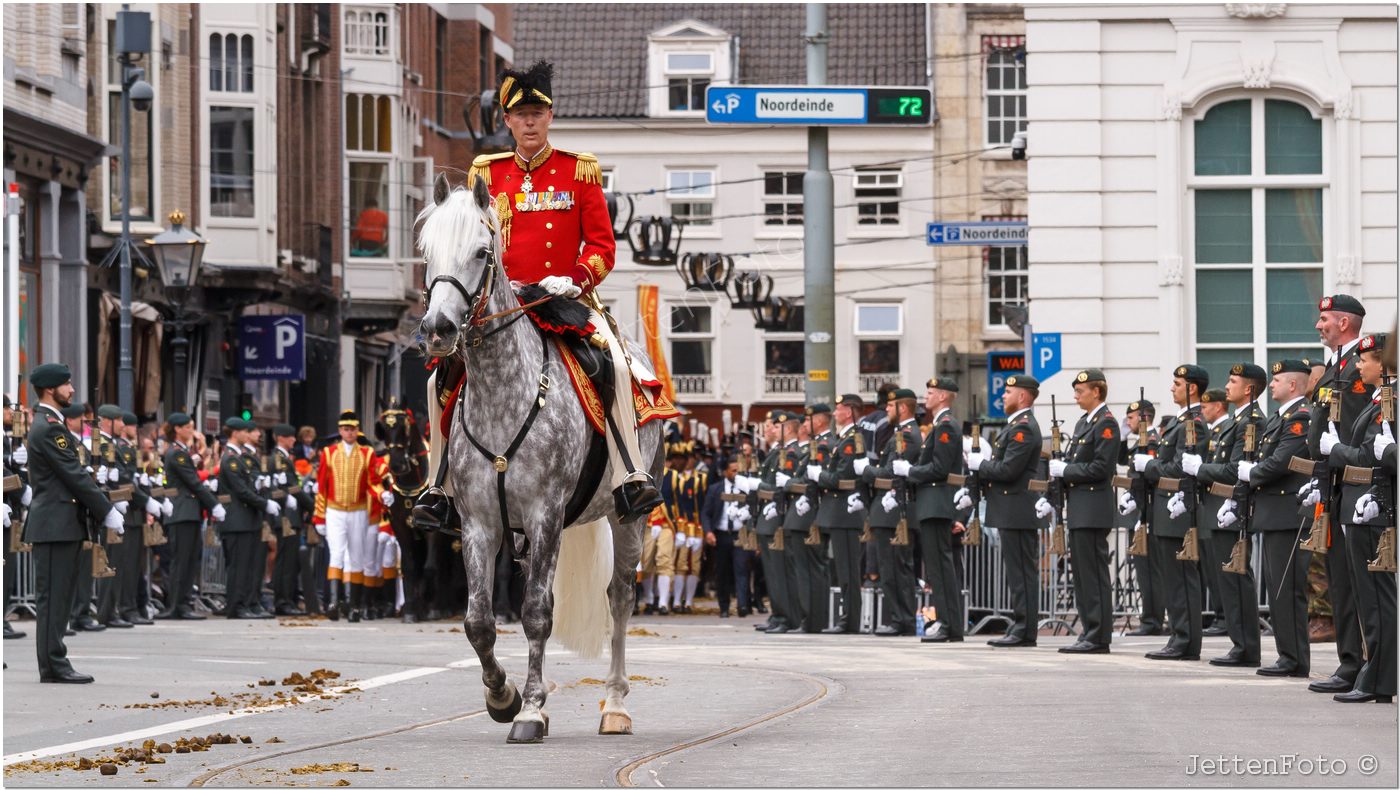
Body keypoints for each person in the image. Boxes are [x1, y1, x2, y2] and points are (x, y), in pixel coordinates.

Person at [414, 60, 661, 531]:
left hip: (563, 300)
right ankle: (439, 485)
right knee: (436, 381)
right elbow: (470, 243)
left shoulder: (579, 171)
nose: (529, 122)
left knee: (618, 367)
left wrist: (577, 277)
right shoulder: (487, 172)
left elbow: (604, 248)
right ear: (506, 120)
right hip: (502, 307)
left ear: (550, 117)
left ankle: (630, 473)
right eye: (519, 114)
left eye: (537, 113)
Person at [25, 363, 121, 683]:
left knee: (58, 596)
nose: (73, 390)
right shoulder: (50, 426)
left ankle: (53, 662)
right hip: (54, 523)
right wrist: (106, 509)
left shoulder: (51, 422)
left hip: (60, 522)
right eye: (67, 384)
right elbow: (73, 475)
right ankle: (54, 664)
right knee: (53, 597)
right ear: (51, 389)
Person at [1226, 360, 1314, 678]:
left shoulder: (1300, 416)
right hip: (1274, 514)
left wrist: (1253, 473)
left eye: (1276, 379)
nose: (1272, 384)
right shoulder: (1281, 417)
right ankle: (1287, 655)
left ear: (1293, 385)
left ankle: (1294, 659)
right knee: (1278, 588)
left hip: (1288, 514)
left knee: (1287, 590)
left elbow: (1282, 461)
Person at [1319, 332, 1395, 703]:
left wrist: (1336, 449)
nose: (1359, 366)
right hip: (1361, 505)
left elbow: (1369, 458)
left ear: (1384, 363)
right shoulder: (1380, 399)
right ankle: (1376, 675)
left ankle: (1379, 678)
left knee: (1378, 599)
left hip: (1374, 508)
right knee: (1370, 600)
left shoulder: (1390, 400)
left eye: (1365, 360)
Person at [1305, 294, 1371, 696]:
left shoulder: (1359, 365)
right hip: (1332, 484)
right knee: (1340, 582)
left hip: (1355, 482)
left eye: (1325, 318)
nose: (1319, 325)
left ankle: (1369, 665)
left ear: (1345, 323)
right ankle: (1349, 662)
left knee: (1360, 584)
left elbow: (1362, 428)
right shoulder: (1334, 366)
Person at [1187, 366, 1267, 668]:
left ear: (1248, 389)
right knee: (1228, 581)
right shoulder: (1237, 421)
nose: (1227, 385)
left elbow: (1236, 469)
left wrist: (1199, 469)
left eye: (1232, 381)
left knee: (1236, 579)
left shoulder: (1252, 421)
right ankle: (1240, 644)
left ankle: (1246, 646)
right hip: (1221, 508)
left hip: (1233, 508)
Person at [1133, 364, 1210, 661]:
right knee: (1174, 578)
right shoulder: (1181, 422)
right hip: (1166, 510)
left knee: (1180, 578)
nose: (1172, 388)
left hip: (1178, 510)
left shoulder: (1194, 423)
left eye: (1177, 383)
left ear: (1191, 388)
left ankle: (1184, 640)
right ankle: (1181, 638)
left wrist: (1148, 466)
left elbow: (1181, 467)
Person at [1049, 369, 1121, 654]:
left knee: (1093, 574)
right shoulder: (1083, 424)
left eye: (1081, 391)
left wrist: (1067, 470)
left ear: (1097, 392)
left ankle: (1098, 635)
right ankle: (1090, 630)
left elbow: (1100, 469)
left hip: (1093, 508)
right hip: (1080, 508)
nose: (1076, 395)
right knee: (1081, 574)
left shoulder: (1107, 424)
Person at [974, 375, 1043, 648]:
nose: (1004, 395)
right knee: (1017, 573)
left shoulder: (1023, 428)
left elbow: (1009, 470)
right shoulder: (1015, 426)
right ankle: (1021, 626)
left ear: (1023, 397)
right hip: (1010, 508)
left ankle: (1025, 628)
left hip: (1017, 508)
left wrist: (981, 465)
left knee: (1022, 573)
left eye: (1009, 391)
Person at [897, 377, 964, 643]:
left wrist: (910, 471)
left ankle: (950, 625)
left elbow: (940, 468)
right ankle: (949, 624)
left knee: (941, 568)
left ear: (944, 397)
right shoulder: (939, 425)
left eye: (932, 392)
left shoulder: (946, 426)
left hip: (937, 504)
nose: (927, 396)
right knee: (937, 568)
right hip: (931, 503)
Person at [312, 410, 393, 622]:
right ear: (340, 430)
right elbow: (322, 486)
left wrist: (382, 493)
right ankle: (333, 602)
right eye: (346, 429)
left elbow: (373, 481)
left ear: (357, 430)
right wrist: (319, 517)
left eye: (353, 429)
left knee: (357, 557)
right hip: (334, 510)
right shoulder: (329, 453)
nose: (350, 433)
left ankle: (355, 606)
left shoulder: (367, 453)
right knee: (337, 554)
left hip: (358, 510)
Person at [861, 388, 921, 636]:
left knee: (896, 569)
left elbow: (890, 472)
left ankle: (902, 619)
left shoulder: (906, 435)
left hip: (895, 512)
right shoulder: (900, 433)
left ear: (903, 408)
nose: (886, 409)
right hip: (889, 511)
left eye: (890, 405)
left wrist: (866, 470)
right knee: (892, 570)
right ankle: (899, 618)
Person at [157, 413, 223, 620]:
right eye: (188, 427)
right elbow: (193, 483)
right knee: (183, 561)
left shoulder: (181, 452)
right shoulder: (177, 453)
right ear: (177, 429)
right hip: (183, 512)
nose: (192, 431)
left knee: (189, 559)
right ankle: (178, 605)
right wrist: (214, 504)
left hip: (188, 511)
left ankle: (182, 603)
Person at [811, 395, 867, 634]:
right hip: (839, 512)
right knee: (843, 570)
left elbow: (840, 478)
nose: (835, 413)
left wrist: (818, 476)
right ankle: (847, 617)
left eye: (839, 408)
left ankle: (851, 620)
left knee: (848, 571)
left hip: (845, 512)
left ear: (849, 411)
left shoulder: (852, 439)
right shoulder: (845, 439)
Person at [220, 419, 277, 619]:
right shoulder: (231, 458)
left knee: (249, 565)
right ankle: (236, 605)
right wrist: (264, 503)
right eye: (245, 431)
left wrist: (260, 485)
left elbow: (249, 483)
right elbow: (241, 490)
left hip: (247, 518)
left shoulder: (240, 456)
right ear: (235, 433)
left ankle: (248, 603)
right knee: (238, 566)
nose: (248, 434)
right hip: (238, 519)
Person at [1118, 398, 1164, 636]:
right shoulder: (1139, 444)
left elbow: (1149, 480)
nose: (1128, 421)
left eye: (1132, 417)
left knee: (1149, 569)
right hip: (1140, 510)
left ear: (1145, 419)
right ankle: (1150, 618)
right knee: (1143, 568)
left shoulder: (1153, 442)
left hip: (1149, 512)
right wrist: (1123, 437)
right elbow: (1120, 460)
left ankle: (1152, 621)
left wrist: (1141, 510)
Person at [784, 406, 830, 633]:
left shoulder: (824, 444)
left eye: (809, 419)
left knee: (810, 571)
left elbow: (808, 478)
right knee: (806, 572)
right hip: (801, 514)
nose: (804, 424)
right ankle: (809, 619)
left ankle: (812, 620)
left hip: (808, 515)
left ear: (820, 421)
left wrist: (792, 485)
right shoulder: (817, 444)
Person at [753, 412, 797, 633]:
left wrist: (758, 488)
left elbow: (781, 487)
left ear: (786, 428)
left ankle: (785, 616)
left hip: (778, 517)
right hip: (768, 515)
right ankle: (778, 614)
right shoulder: (776, 453)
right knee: (772, 572)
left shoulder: (788, 452)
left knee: (779, 572)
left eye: (773, 426)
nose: (769, 430)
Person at [270, 424, 314, 615]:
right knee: (286, 560)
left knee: (289, 559)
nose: (293, 440)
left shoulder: (283, 458)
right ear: (280, 438)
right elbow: (291, 488)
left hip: (289, 515)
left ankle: (288, 599)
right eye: (290, 437)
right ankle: (283, 600)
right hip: (287, 516)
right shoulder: (279, 459)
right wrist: (311, 505)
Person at [701, 460, 750, 618]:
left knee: (741, 570)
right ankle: (724, 607)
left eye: (738, 470)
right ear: (725, 472)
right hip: (721, 535)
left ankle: (742, 605)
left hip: (740, 535)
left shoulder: (746, 487)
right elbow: (706, 513)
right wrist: (708, 532)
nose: (736, 474)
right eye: (733, 470)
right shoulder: (715, 489)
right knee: (722, 572)